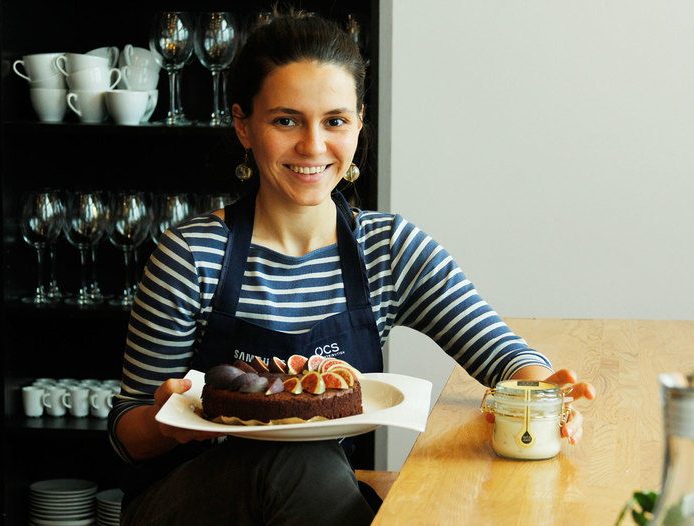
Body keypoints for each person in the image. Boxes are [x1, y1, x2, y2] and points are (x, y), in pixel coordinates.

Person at [108, 11, 595, 526]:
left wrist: (544, 392)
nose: (313, 146)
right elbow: (125, 434)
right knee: (302, 462)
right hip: (187, 502)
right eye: (286, 120)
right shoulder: (191, 255)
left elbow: (502, 355)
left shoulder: (387, 248)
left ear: (360, 124)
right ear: (243, 126)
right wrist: (168, 422)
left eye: (335, 121)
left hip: (312, 501)